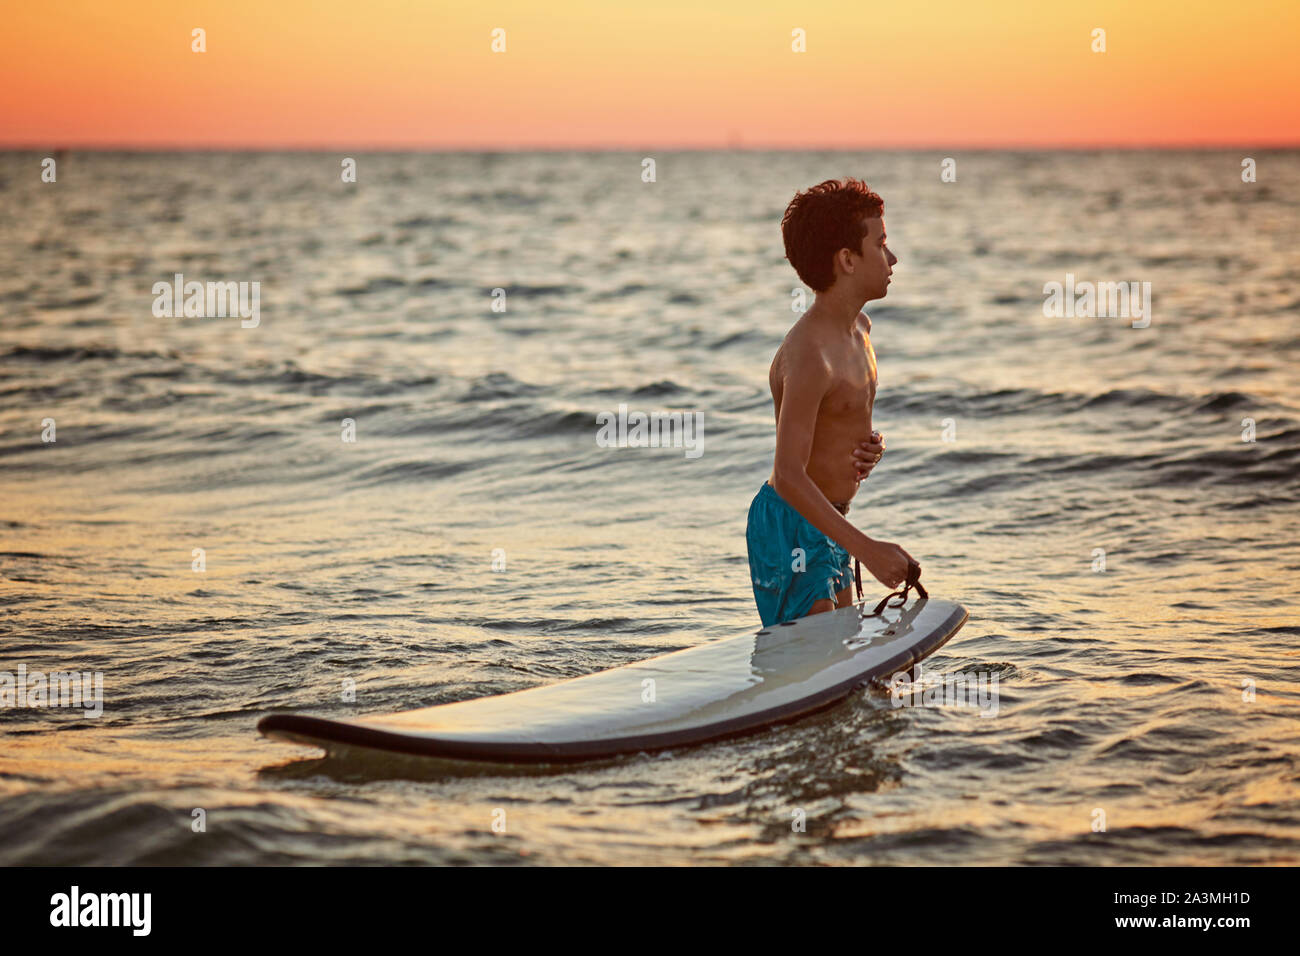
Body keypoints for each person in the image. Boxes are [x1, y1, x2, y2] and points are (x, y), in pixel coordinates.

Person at [746, 178, 918, 627]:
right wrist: (869, 549)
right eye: (880, 244)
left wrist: (869, 447)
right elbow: (787, 475)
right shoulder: (809, 355)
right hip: (790, 526)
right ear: (847, 260)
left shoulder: (861, 330)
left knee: (842, 656)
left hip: (832, 518)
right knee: (815, 662)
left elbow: (840, 422)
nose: (893, 257)